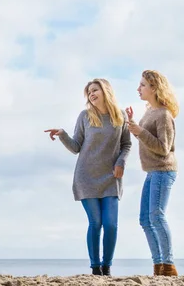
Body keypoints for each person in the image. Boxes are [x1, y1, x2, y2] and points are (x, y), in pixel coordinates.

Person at [45, 79, 131, 276]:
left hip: (111, 177)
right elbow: (76, 147)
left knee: (110, 225)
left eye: (94, 90)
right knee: (96, 223)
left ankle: (106, 267)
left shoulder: (121, 115)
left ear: (105, 90)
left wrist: (121, 162)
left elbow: (126, 145)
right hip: (86, 178)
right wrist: (62, 135)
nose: (91, 94)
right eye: (89, 92)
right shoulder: (85, 116)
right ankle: (95, 268)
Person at [125, 70, 179, 276]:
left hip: (163, 171)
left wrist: (140, 131)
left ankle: (169, 265)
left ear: (154, 88)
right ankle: (159, 266)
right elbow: (146, 138)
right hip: (152, 171)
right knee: (145, 220)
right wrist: (133, 126)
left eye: (142, 85)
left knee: (157, 216)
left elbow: (163, 148)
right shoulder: (149, 112)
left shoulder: (164, 115)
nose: (138, 89)